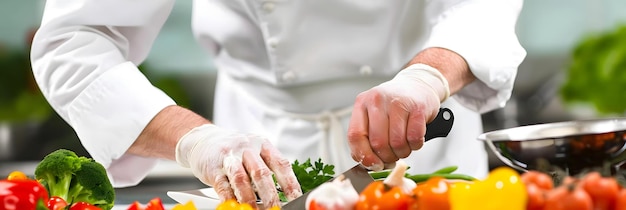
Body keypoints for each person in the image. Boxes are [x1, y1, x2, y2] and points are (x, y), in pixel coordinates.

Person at [30, 0, 526, 208]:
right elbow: (75, 38)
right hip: (258, 147)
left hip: (425, 139)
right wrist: (195, 140)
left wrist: (429, 73)